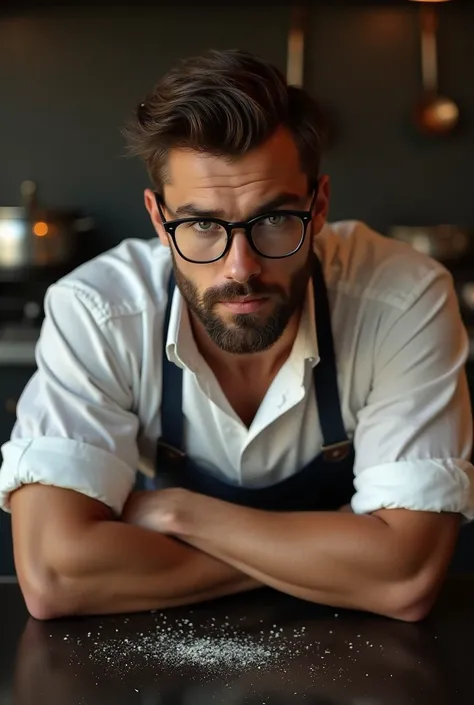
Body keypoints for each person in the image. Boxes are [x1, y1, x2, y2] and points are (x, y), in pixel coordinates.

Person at [1, 49, 473, 622]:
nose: (239, 268)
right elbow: (55, 573)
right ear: (158, 218)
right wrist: (349, 561)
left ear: (318, 205)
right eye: (202, 224)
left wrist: (181, 515)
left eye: (274, 219)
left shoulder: (402, 299)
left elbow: (407, 576)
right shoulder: (99, 311)